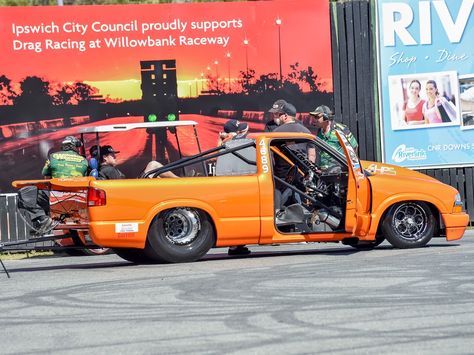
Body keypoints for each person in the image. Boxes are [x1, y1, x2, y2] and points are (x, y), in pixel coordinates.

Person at [18, 135, 88, 234]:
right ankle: (47, 222)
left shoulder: (53, 157)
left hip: (56, 197)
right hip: (77, 199)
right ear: (75, 146)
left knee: (25, 193)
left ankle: (43, 220)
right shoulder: (84, 161)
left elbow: (46, 178)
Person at [217, 119, 252, 256]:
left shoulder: (224, 145)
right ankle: (235, 244)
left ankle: (236, 245)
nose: (241, 133)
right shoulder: (230, 145)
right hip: (237, 185)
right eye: (238, 131)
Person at [309, 105, 358, 169]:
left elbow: (354, 147)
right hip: (325, 172)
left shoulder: (340, 129)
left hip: (340, 171)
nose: (314, 119)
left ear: (326, 117)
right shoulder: (319, 132)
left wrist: (352, 166)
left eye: (316, 117)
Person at [98, 145, 178, 180]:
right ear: (105, 157)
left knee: (157, 177)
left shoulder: (107, 170)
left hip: (133, 187)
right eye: (112, 155)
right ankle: (180, 181)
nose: (115, 157)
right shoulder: (109, 170)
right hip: (132, 190)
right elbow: (120, 188)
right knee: (153, 165)